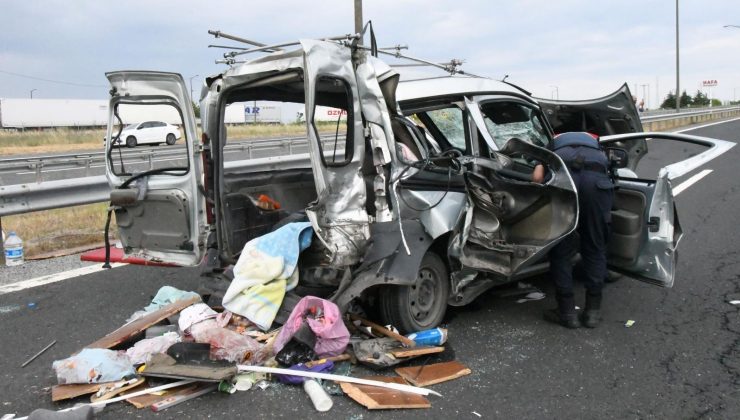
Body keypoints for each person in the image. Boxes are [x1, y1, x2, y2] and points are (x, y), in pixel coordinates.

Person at [532, 132, 614, 328]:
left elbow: (536, 178)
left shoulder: (550, 145)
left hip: (565, 185)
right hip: (597, 185)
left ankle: (567, 313)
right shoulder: (596, 147)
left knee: (560, 248)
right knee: (595, 247)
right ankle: (592, 312)